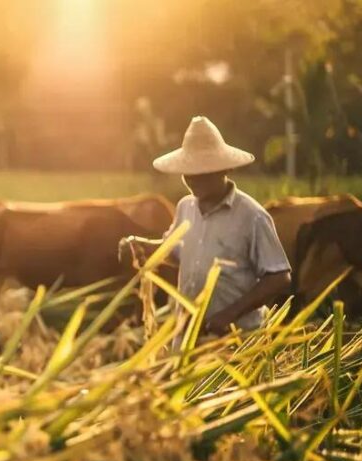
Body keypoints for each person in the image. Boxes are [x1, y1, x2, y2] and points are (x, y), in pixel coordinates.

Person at [122, 116, 292, 337]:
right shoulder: (185, 207)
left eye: (203, 172)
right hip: (188, 336)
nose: (194, 179)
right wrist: (141, 246)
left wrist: (229, 315)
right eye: (189, 172)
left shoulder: (252, 216)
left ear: (225, 169)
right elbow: (173, 252)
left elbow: (279, 277)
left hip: (236, 341)